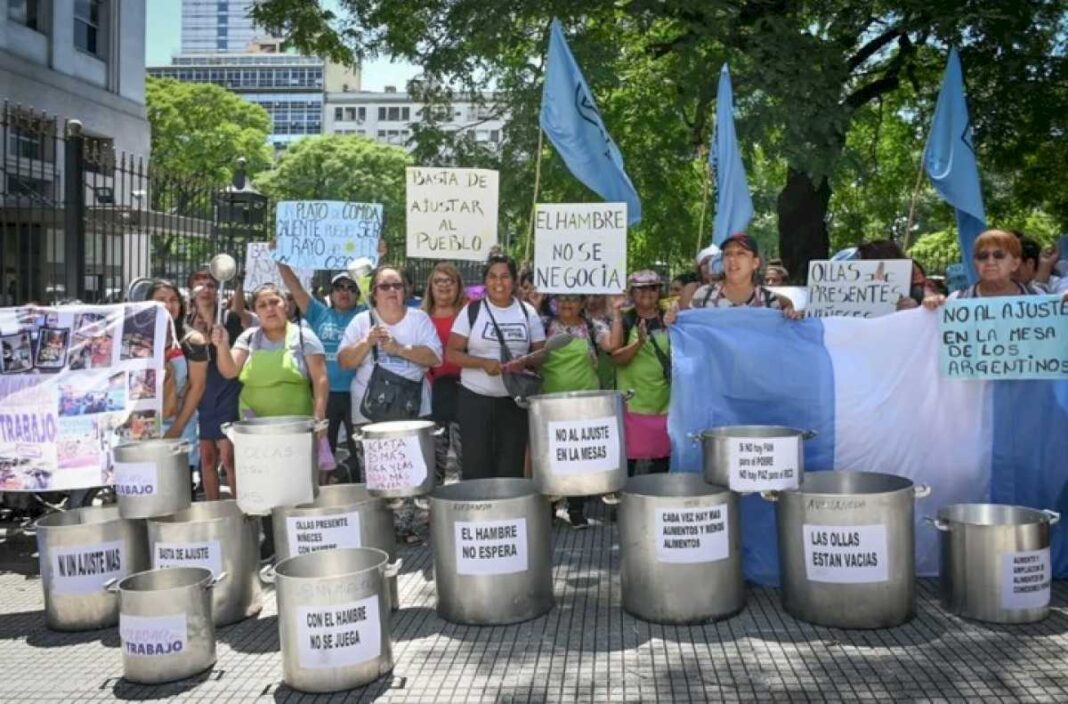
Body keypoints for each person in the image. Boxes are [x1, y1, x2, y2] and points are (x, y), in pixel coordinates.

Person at [338, 265, 443, 544]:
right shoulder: (362, 321)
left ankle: (405, 528)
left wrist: (398, 348)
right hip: (369, 409)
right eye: (385, 286)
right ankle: (376, 528)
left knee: (406, 468)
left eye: (397, 285)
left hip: (412, 409)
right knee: (375, 471)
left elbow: (435, 357)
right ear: (374, 293)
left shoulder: (419, 320)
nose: (392, 291)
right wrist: (367, 342)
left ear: (406, 289)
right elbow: (345, 361)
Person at [212, 283, 331, 489]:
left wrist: (319, 419)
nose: (270, 308)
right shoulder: (248, 338)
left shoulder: (305, 337)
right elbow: (229, 370)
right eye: (262, 305)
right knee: (263, 488)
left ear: (286, 305)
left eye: (275, 302)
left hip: (297, 429)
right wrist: (221, 345)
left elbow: (320, 379)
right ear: (255, 311)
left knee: (296, 487)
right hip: (256, 432)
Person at [447, 254, 546, 479]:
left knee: (510, 467)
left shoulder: (527, 312)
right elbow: (451, 353)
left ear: (514, 281)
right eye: (492, 277)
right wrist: (482, 363)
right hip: (475, 400)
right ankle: (480, 513)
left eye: (504, 276)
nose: (498, 283)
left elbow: (542, 354)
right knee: (476, 466)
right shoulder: (471, 311)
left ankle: (507, 513)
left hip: (514, 402)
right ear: (485, 281)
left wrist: (525, 361)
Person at [279, 264, 365, 482]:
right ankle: (321, 496)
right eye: (339, 287)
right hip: (325, 395)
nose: (345, 292)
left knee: (361, 449)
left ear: (359, 294)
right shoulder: (318, 313)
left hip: (358, 393)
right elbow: (295, 288)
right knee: (323, 446)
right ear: (331, 293)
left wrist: (378, 258)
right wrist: (279, 259)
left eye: (351, 287)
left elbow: (379, 287)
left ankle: (361, 495)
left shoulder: (365, 314)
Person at [541, 293, 615, 528]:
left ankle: (576, 509)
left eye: (572, 298)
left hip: (585, 404)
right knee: (552, 458)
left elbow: (611, 345)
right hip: (549, 404)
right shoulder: (543, 325)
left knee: (578, 457)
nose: (566, 303)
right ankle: (550, 508)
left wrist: (618, 312)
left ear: (583, 303)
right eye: (562, 298)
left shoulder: (593, 326)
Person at [187, 268, 246, 500]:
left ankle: (242, 509)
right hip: (201, 393)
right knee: (208, 457)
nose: (206, 289)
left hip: (226, 391)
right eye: (199, 284)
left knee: (229, 456)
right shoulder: (186, 321)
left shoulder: (229, 319)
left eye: (211, 285)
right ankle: (213, 508)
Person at [610, 271, 672, 476]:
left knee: (663, 459)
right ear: (632, 293)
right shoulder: (626, 321)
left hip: (665, 402)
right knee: (629, 461)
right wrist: (639, 344)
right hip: (633, 403)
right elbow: (617, 357)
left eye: (653, 288)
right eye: (641, 288)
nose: (648, 293)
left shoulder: (669, 318)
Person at [149, 280, 207, 494]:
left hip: (180, 424)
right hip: (143, 430)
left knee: (177, 490)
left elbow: (197, 387)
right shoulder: (136, 339)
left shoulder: (192, 340)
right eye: (161, 300)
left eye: (173, 300)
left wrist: (176, 428)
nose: (168, 305)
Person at [924, 230, 1068, 306]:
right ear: (975, 263)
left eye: (999, 255)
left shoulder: (1041, 298)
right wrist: (931, 308)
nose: (990, 261)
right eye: (982, 256)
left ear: (1015, 264)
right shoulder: (956, 301)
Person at [422, 262, 467, 483]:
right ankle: (434, 510)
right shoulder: (420, 317)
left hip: (465, 391)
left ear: (459, 285)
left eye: (450, 280)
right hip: (432, 395)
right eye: (438, 280)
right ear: (430, 285)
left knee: (466, 457)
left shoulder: (469, 313)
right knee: (435, 457)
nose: (444, 285)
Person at [690, 234, 801, 318]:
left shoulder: (769, 301)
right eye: (728, 254)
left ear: (755, 263)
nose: (732, 259)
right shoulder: (704, 296)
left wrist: (792, 315)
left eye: (741, 253)